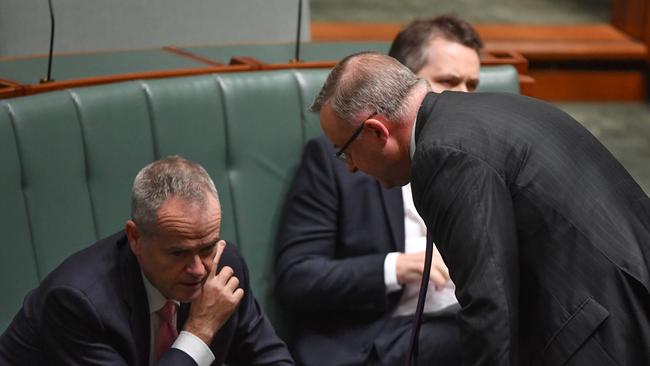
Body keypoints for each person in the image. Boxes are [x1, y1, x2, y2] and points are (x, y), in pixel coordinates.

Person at [310, 52, 650, 365]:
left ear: (376, 131)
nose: (351, 167)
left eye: (345, 151)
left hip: (603, 330)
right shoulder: (483, 113)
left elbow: (489, 304)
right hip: (626, 292)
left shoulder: (443, 154)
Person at [275, 15, 482, 366]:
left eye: (472, 85)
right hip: (376, 338)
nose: (462, 98)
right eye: (448, 81)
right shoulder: (341, 158)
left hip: (460, 318)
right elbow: (298, 276)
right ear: (404, 86)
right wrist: (398, 267)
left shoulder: (481, 155)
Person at [0, 156, 294, 366]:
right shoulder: (76, 303)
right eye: (178, 253)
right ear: (135, 238)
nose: (198, 269)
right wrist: (199, 331)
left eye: (206, 248)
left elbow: (270, 356)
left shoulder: (222, 265)